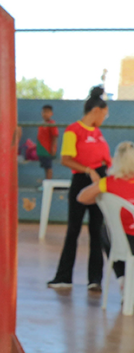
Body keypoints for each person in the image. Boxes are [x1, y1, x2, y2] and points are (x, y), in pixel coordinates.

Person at [48, 86, 111, 291]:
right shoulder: (73, 130)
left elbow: (106, 160)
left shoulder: (99, 133)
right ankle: (63, 277)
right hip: (82, 181)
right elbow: (66, 159)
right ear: (96, 111)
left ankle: (95, 279)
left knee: (97, 230)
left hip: (99, 183)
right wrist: (88, 170)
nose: (105, 118)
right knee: (73, 229)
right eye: (104, 114)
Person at [77, 140, 134, 280]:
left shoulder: (108, 183)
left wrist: (102, 199)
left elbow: (82, 198)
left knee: (105, 231)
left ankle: (122, 277)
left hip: (123, 243)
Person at [37, 104, 59, 181]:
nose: (45, 114)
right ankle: (46, 182)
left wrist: (53, 148)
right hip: (42, 150)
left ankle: (48, 183)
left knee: (48, 167)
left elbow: (55, 136)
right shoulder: (42, 124)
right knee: (45, 168)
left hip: (47, 150)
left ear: (51, 113)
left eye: (47, 112)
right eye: (43, 112)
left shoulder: (52, 123)